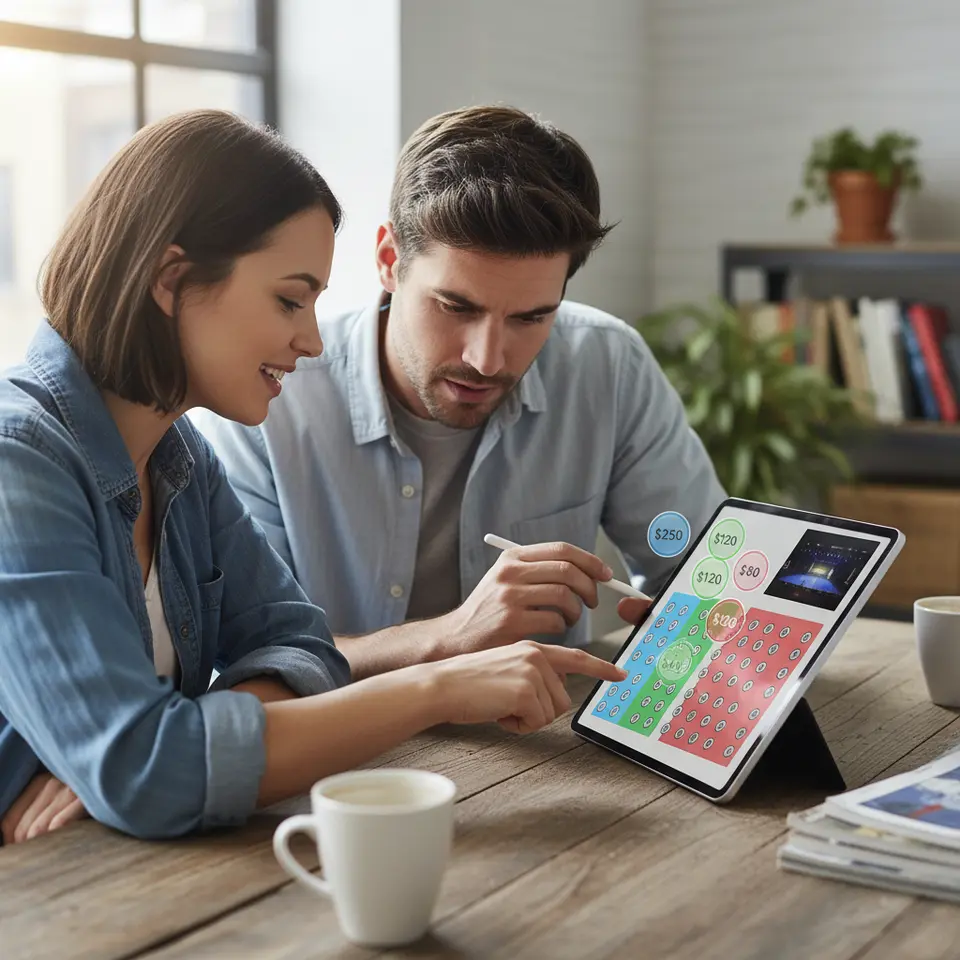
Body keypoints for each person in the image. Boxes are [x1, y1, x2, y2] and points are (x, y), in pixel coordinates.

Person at [0, 109, 627, 845]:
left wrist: (160, 747)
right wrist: (438, 684)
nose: (311, 338)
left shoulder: (180, 459)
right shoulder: (19, 462)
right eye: (290, 300)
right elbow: (148, 774)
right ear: (172, 280)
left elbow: (301, 645)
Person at [195, 105, 725, 681]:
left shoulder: (607, 366)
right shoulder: (270, 396)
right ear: (389, 260)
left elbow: (698, 567)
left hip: (548, 750)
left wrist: (688, 612)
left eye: (532, 318)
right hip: (346, 760)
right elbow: (248, 655)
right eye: (457, 307)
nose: (487, 359)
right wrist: (450, 638)